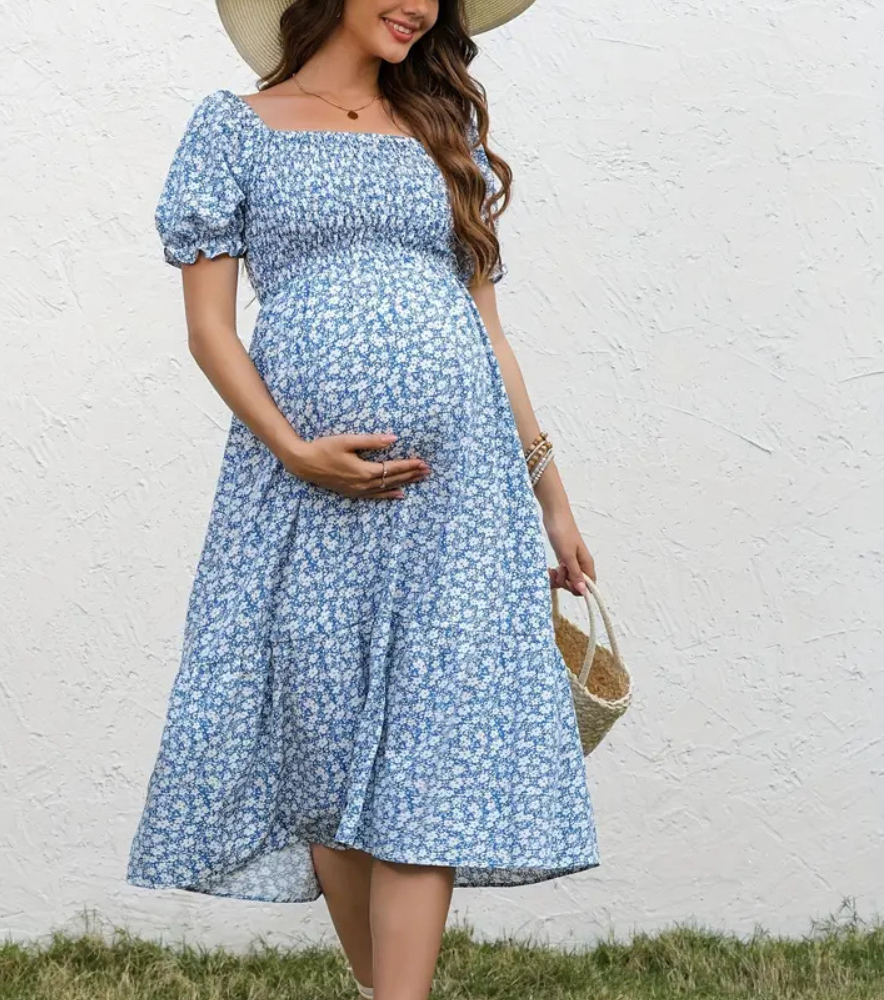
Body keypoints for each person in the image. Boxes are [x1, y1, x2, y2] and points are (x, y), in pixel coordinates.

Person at [127, 2, 601, 997]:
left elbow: (490, 331)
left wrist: (550, 495)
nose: (419, 5)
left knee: (428, 756)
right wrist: (294, 449)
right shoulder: (234, 128)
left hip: (459, 501)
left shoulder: (441, 127)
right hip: (300, 495)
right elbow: (209, 330)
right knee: (326, 755)